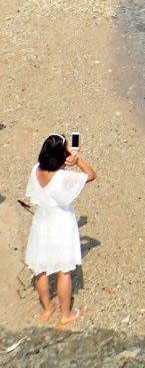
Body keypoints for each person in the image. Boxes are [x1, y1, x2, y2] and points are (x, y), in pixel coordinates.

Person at [25, 134, 97, 328]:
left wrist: (64, 160)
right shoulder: (63, 177)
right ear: (61, 156)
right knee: (64, 272)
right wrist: (78, 160)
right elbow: (91, 175)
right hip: (62, 224)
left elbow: (50, 170)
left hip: (42, 222)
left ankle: (48, 308)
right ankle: (66, 314)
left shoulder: (36, 170)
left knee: (40, 269)